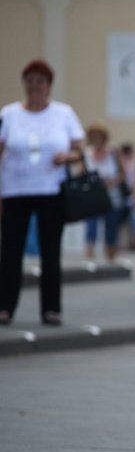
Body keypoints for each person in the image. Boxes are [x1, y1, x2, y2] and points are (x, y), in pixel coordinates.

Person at [0, 59, 84, 326]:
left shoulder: (63, 113)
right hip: (15, 189)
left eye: (40, 81)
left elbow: (80, 149)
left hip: (51, 189)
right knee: (11, 250)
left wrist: (68, 156)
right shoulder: (9, 114)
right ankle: (5, 307)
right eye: (30, 80)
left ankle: (51, 308)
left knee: (51, 250)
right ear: (24, 84)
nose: (35, 86)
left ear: (49, 86)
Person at [83, 123, 126, 261]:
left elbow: (122, 173)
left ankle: (110, 255)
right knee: (91, 225)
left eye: (99, 137)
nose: (96, 140)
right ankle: (89, 255)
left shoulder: (113, 152)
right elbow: (82, 174)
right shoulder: (86, 153)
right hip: (93, 197)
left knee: (111, 227)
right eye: (93, 137)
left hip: (111, 196)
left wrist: (113, 181)